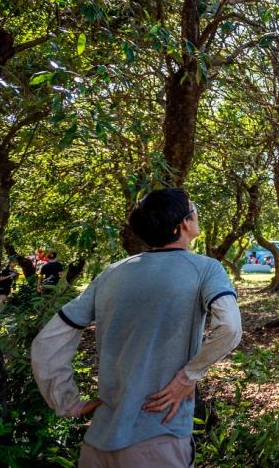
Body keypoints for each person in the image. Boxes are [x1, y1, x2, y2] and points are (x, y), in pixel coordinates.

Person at [31, 188, 242, 468]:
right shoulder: (206, 269)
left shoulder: (111, 273)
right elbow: (229, 327)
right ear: (183, 225)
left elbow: (47, 343)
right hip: (157, 442)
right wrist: (188, 376)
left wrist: (67, 403)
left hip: (97, 444)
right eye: (194, 208)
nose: (197, 213)